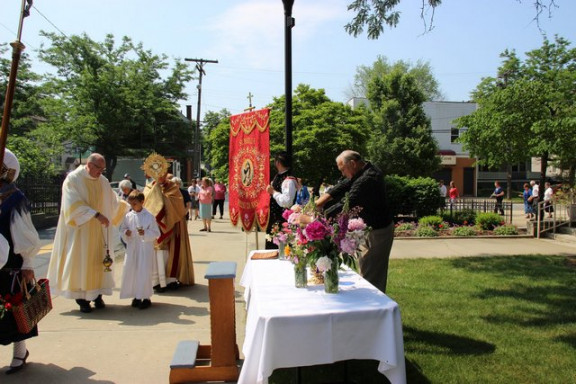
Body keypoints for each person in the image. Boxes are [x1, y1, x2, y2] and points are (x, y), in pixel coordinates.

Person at [48, 153, 129, 313]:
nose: (101, 172)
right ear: (90, 165)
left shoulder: (103, 181)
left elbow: (113, 201)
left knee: (98, 262)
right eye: (99, 168)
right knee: (82, 263)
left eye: (103, 169)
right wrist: (96, 215)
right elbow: (73, 205)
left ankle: (97, 295)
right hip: (81, 233)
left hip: (99, 233)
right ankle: (82, 299)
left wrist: (127, 206)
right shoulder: (73, 179)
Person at [311, 150, 394, 293]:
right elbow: (343, 185)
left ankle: (375, 309)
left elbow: (347, 203)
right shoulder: (361, 171)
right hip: (370, 228)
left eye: (343, 169)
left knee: (372, 275)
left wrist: (316, 218)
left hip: (379, 232)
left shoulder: (369, 178)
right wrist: (318, 203)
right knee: (366, 269)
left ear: (353, 163)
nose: (342, 173)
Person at [0, 149, 41, 374]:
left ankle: (19, 352)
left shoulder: (14, 198)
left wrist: (27, 263)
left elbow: (24, 234)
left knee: (15, 308)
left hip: (11, 265)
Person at [142, 157, 195, 292]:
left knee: (171, 253)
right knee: (156, 255)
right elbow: (146, 206)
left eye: (163, 173)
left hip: (173, 225)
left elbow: (178, 206)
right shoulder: (148, 189)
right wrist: (156, 193)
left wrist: (161, 197)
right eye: (158, 173)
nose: (161, 176)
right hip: (154, 227)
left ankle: (170, 279)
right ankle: (156, 281)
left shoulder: (173, 187)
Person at [119, 191, 160, 309]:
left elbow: (156, 233)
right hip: (132, 247)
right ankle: (136, 295)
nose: (132, 206)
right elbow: (123, 229)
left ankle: (146, 297)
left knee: (144, 271)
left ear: (142, 202)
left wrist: (145, 233)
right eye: (131, 204)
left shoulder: (149, 216)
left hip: (144, 248)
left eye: (135, 204)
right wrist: (126, 232)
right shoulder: (128, 216)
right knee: (133, 270)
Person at [265, 151, 297, 249]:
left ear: (278, 163)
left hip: (282, 221)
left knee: (281, 250)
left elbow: (287, 202)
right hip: (275, 220)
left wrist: (273, 192)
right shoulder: (278, 176)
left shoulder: (288, 179)